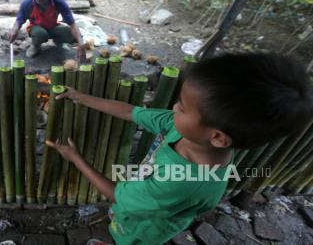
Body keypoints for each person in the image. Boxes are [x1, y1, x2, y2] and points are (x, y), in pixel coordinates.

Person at [47, 52, 313, 245]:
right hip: (145, 204)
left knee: (127, 238)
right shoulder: (187, 130)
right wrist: (81, 97)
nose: (174, 108)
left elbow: (118, 195)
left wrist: (75, 158)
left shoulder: (183, 182)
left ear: (218, 137)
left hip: (145, 229)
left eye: (183, 107)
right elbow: (132, 112)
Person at [8, 0, 86, 62]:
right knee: (40, 33)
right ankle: (35, 46)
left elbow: (72, 24)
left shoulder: (59, 2)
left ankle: (58, 42)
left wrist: (81, 44)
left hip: (53, 27)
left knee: (70, 33)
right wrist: (14, 29)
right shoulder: (27, 3)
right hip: (37, 29)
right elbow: (19, 20)